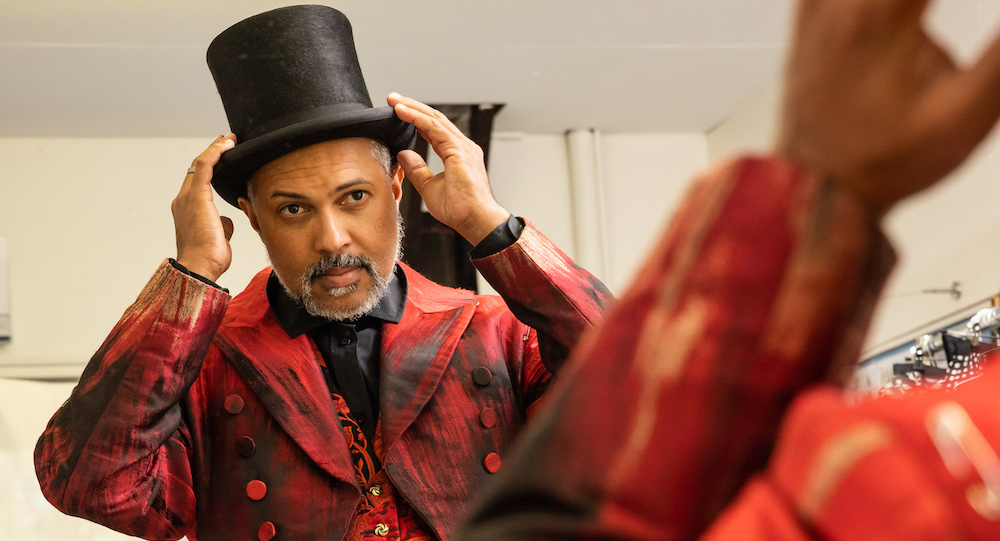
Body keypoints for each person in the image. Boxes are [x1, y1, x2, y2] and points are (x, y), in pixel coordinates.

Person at [33, 6, 610, 541]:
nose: (332, 239)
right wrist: (189, 279)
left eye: (355, 196)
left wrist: (491, 227)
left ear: (396, 188)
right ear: (253, 219)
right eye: (293, 209)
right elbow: (91, 486)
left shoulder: (496, 332)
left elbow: (643, 395)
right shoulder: (204, 361)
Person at [459, 0, 1000, 540]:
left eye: (367, 195)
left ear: (397, 189)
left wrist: (500, 235)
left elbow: (596, 353)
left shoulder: (485, 329)